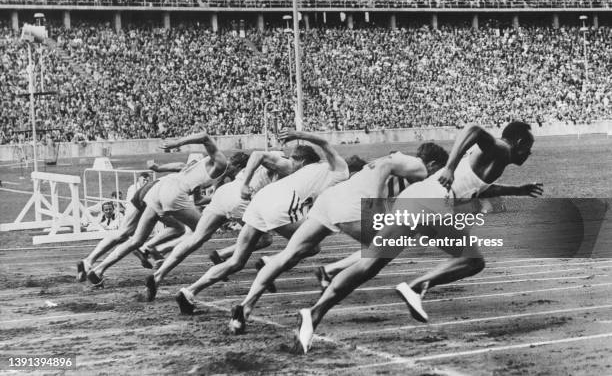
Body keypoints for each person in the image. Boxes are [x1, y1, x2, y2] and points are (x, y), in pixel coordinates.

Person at [295, 121, 543, 353]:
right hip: (433, 199)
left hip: (417, 198)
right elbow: (474, 129)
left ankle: (314, 314)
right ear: (519, 142)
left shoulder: (494, 160)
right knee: (472, 260)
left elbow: (479, 188)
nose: (528, 155)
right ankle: (416, 287)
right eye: (528, 149)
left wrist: (518, 190)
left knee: (368, 264)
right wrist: (449, 166)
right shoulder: (501, 148)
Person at [234, 143, 449, 329]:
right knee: (386, 246)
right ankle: (329, 274)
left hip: (331, 200)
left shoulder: (400, 163)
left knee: (288, 255)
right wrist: (375, 201)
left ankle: (245, 307)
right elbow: (385, 167)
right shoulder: (419, 167)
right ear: (433, 164)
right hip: (352, 205)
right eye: (438, 170)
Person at [174, 130, 349, 325]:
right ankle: (266, 267)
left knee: (236, 261)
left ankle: (189, 291)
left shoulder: (324, 171)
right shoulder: (334, 171)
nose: (293, 165)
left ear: (305, 161)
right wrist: (298, 134)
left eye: (296, 161)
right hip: (280, 203)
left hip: (262, 199)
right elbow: (324, 142)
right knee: (311, 246)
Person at [143, 147, 310, 301]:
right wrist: (246, 185)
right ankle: (263, 264)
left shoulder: (267, 168)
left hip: (225, 193)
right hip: (243, 199)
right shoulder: (286, 164)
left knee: (196, 238)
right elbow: (258, 155)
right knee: (264, 241)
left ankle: (158, 275)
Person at [85, 131, 243, 286]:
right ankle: (159, 252)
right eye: (239, 172)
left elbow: (199, 199)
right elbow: (204, 136)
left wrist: (217, 198)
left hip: (161, 188)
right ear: (236, 166)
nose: (237, 176)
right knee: (200, 232)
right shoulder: (221, 161)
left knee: (136, 239)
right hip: (175, 192)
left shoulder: (206, 169)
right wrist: (177, 143)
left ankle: (99, 270)